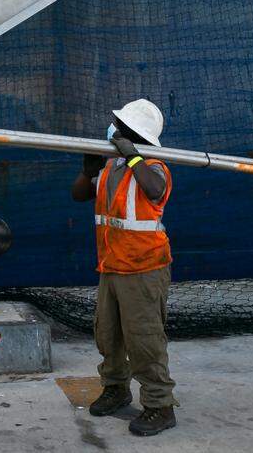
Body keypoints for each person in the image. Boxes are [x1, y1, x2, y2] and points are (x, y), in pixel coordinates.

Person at [71, 98, 178, 437]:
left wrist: (132, 155)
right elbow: (78, 195)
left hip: (144, 269)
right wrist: (88, 171)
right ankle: (116, 388)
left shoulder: (155, 166)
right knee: (109, 335)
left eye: (121, 128)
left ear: (136, 136)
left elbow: (154, 189)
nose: (114, 131)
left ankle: (159, 406)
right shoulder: (111, 167)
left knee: (144, 339)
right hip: (112, 266)